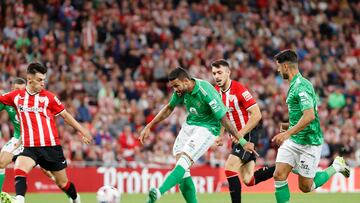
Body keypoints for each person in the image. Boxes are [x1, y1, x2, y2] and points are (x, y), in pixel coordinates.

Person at [139, 67, 257, 203]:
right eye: (173, 87)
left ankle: (158, 193)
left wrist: (242, 141)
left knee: (184, 162)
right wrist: (149, 126)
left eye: (176, 85)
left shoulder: (205, 91)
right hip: (189, 125)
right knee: (182, 170)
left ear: (186, 81)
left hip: (207, 128)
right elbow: (169, 107)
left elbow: (223, 119)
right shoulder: (180, 91)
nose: (175, 89)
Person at [0, 62, 92, 203]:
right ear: (29, 80)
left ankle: (75, 198)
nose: (43, 83)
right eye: (39, 80)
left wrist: (83, 130)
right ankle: (19, 200)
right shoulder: (16, 96)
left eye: (44, 79)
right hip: (30, 147)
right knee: (19, 167)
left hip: (50, 147)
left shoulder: (49, 97)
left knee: (62, 183)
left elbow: (66, 116)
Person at [271, 50, 350, 203]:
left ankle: (337, 166)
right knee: (278, 175)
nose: (278, 70)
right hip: (294, 140)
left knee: (306, 187)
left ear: (286, 66)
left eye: (279, 67)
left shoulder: (301, 86)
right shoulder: (294, 85)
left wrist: (287, 133)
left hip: (309, 142)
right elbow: (303, 115)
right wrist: (287, 127)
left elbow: (309, 116)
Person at [211, 59, 275, 203]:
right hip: (238, 136)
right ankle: (283, 167)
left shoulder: (239, 89)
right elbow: (222, 116)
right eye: (214, 73)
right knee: (248, 180)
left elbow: (257, 115)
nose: (217, 76)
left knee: (229, 168)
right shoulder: (216, 92)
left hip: (249, 133)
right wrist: (220, 135)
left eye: (220, 72)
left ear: (228, 73)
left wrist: (239, 134)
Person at [0, 78, 26, 193]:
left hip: (34, 139)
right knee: (1, 163)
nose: (19, 93)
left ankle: (73, 196)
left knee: (52, 173)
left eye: (22, 90)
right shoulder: (7, 99)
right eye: (16, 90)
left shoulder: (32, 101)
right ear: (11, 90)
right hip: (17, 138)